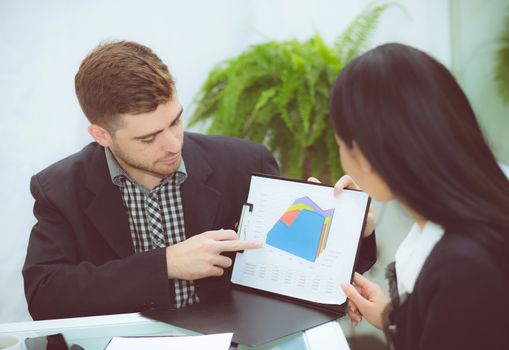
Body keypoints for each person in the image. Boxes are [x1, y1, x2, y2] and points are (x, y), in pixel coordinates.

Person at [23, 41, 376, 320]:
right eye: (149, 138)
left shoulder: (243, 162)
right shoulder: (59, 188)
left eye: (175, 121)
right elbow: (44, 295)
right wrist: (165, 265)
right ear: (101, 135)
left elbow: (302, 269)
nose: (173, 144)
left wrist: (353, 227)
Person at [330, 43, 509, 349]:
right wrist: (393, 317)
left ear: (364, 155)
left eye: (339, 143)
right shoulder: (478, 201)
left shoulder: (461, 269)